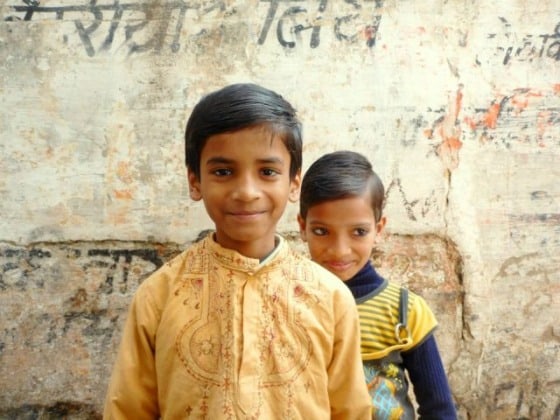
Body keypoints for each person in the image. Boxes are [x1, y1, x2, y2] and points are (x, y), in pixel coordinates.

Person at [103, 84, 372, 419]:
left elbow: (351, 410)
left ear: (293, 183)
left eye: (267, 172)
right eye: (223, 172)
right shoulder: (159, 295)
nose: (246, 192)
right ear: (194, 181)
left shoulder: (330, 297)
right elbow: (128, 410)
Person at [297, 150, 457, 419]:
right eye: (322, 231)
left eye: (358, 232)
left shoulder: (405, 311)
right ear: (302, 227)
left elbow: (439, 409)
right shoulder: (288, 303)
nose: (340, 250)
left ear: (379, 229)